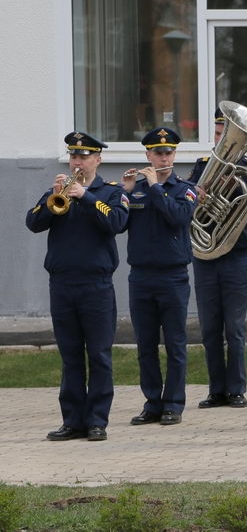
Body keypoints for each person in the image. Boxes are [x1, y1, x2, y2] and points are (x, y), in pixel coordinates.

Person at [26, 132, 129, 441]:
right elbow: (33, 223)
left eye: (84, 157)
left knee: (98, 354)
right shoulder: (56, 191)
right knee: (70, 356)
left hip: (96, 285)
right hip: (62, 284)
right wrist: (51, 199)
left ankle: (97, 420)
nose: (77, 162)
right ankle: (72, 421)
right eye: (73, 156)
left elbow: (117, 223)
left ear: (98, 159)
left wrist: (85, 196)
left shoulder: (110, 192)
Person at [188, 107, 247, 410]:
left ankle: (236, 389)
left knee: (234, 327)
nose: (224, 142)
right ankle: (215, 389)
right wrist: (199, 195)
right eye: (220, 136)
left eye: (227, 136)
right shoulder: (201, 167)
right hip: (206, 256)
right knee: (209, 328)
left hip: (237, 256)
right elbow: (190, 208)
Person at [122, 127, 198, 427]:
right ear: (148, 155)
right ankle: (152, 402)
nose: (163, 156)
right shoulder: (137, 188)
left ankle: (174, 404)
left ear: (175, 155)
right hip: (140, 276)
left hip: (173, 277)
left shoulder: (186, 189)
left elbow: (177, 218)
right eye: (157, 152)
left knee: (176, 344)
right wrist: (126, 193)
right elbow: (118, 225)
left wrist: (155, 188)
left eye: (168, 152)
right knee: (145, 345)